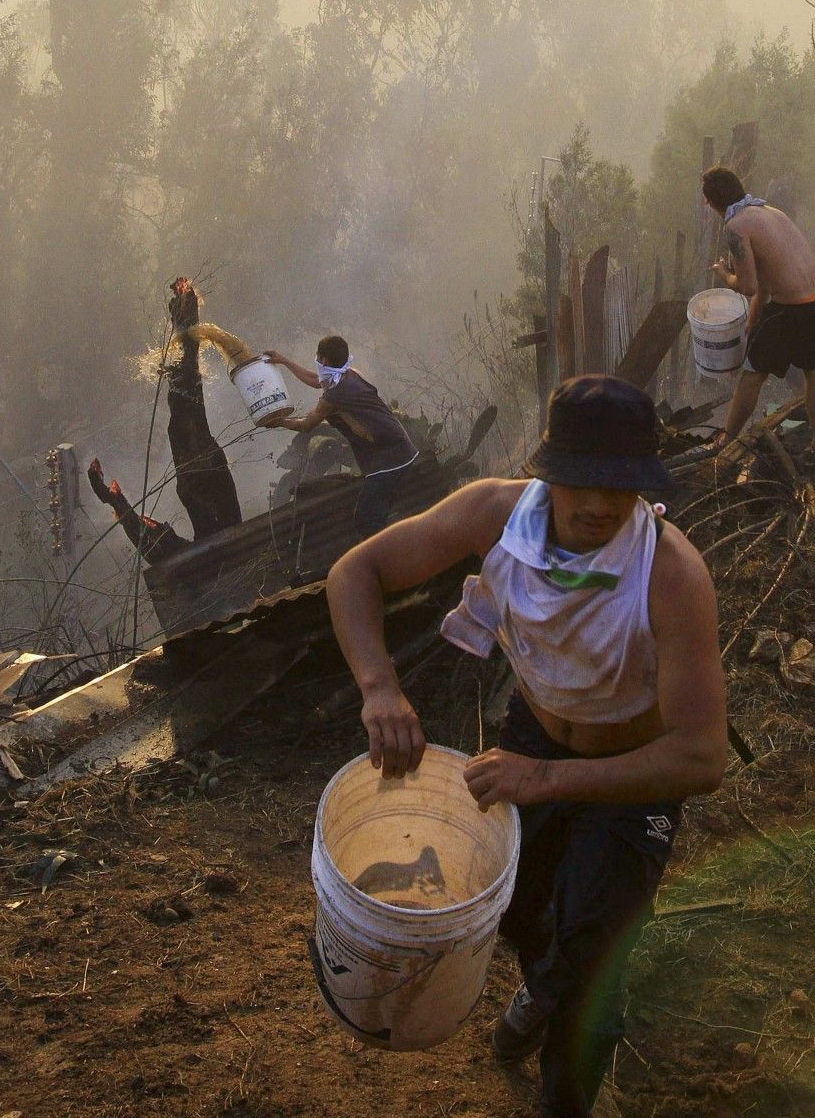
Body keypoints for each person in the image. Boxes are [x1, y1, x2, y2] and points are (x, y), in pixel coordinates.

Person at [326, 376, 727, 1118]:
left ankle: (567, 1072)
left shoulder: (670, 575)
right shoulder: (492, 515)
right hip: (532, 732)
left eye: (623, 488)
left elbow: (702, 755)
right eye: (581, 481)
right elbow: (356, 572)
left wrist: (549, 777)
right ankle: (542, 986)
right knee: (511, 908)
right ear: (547, 469)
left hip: (629, 775)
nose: (601, 505)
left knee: (592, 963)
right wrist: (378, 685)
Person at [702, 166, 815, 462]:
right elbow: (764, 283)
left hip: (792, 309)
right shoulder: (769, 211)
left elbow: (747, 285)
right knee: (813, 370)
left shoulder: (736, 227)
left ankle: (726, 442)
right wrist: (752, 324)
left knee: (752, 374)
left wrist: (723, 273)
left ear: (710, 203)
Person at [264, 336, 418, 538]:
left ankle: (389, 559)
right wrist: (284, 361)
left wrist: (277, 421)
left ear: (324, 360)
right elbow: (315, 380)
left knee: (367, 521)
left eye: (318, 357)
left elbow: (307, 425)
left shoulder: (334, 395)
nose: (317, 361)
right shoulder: (350, 374)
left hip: (389, 459)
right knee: (375, 517)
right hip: (399, 450)